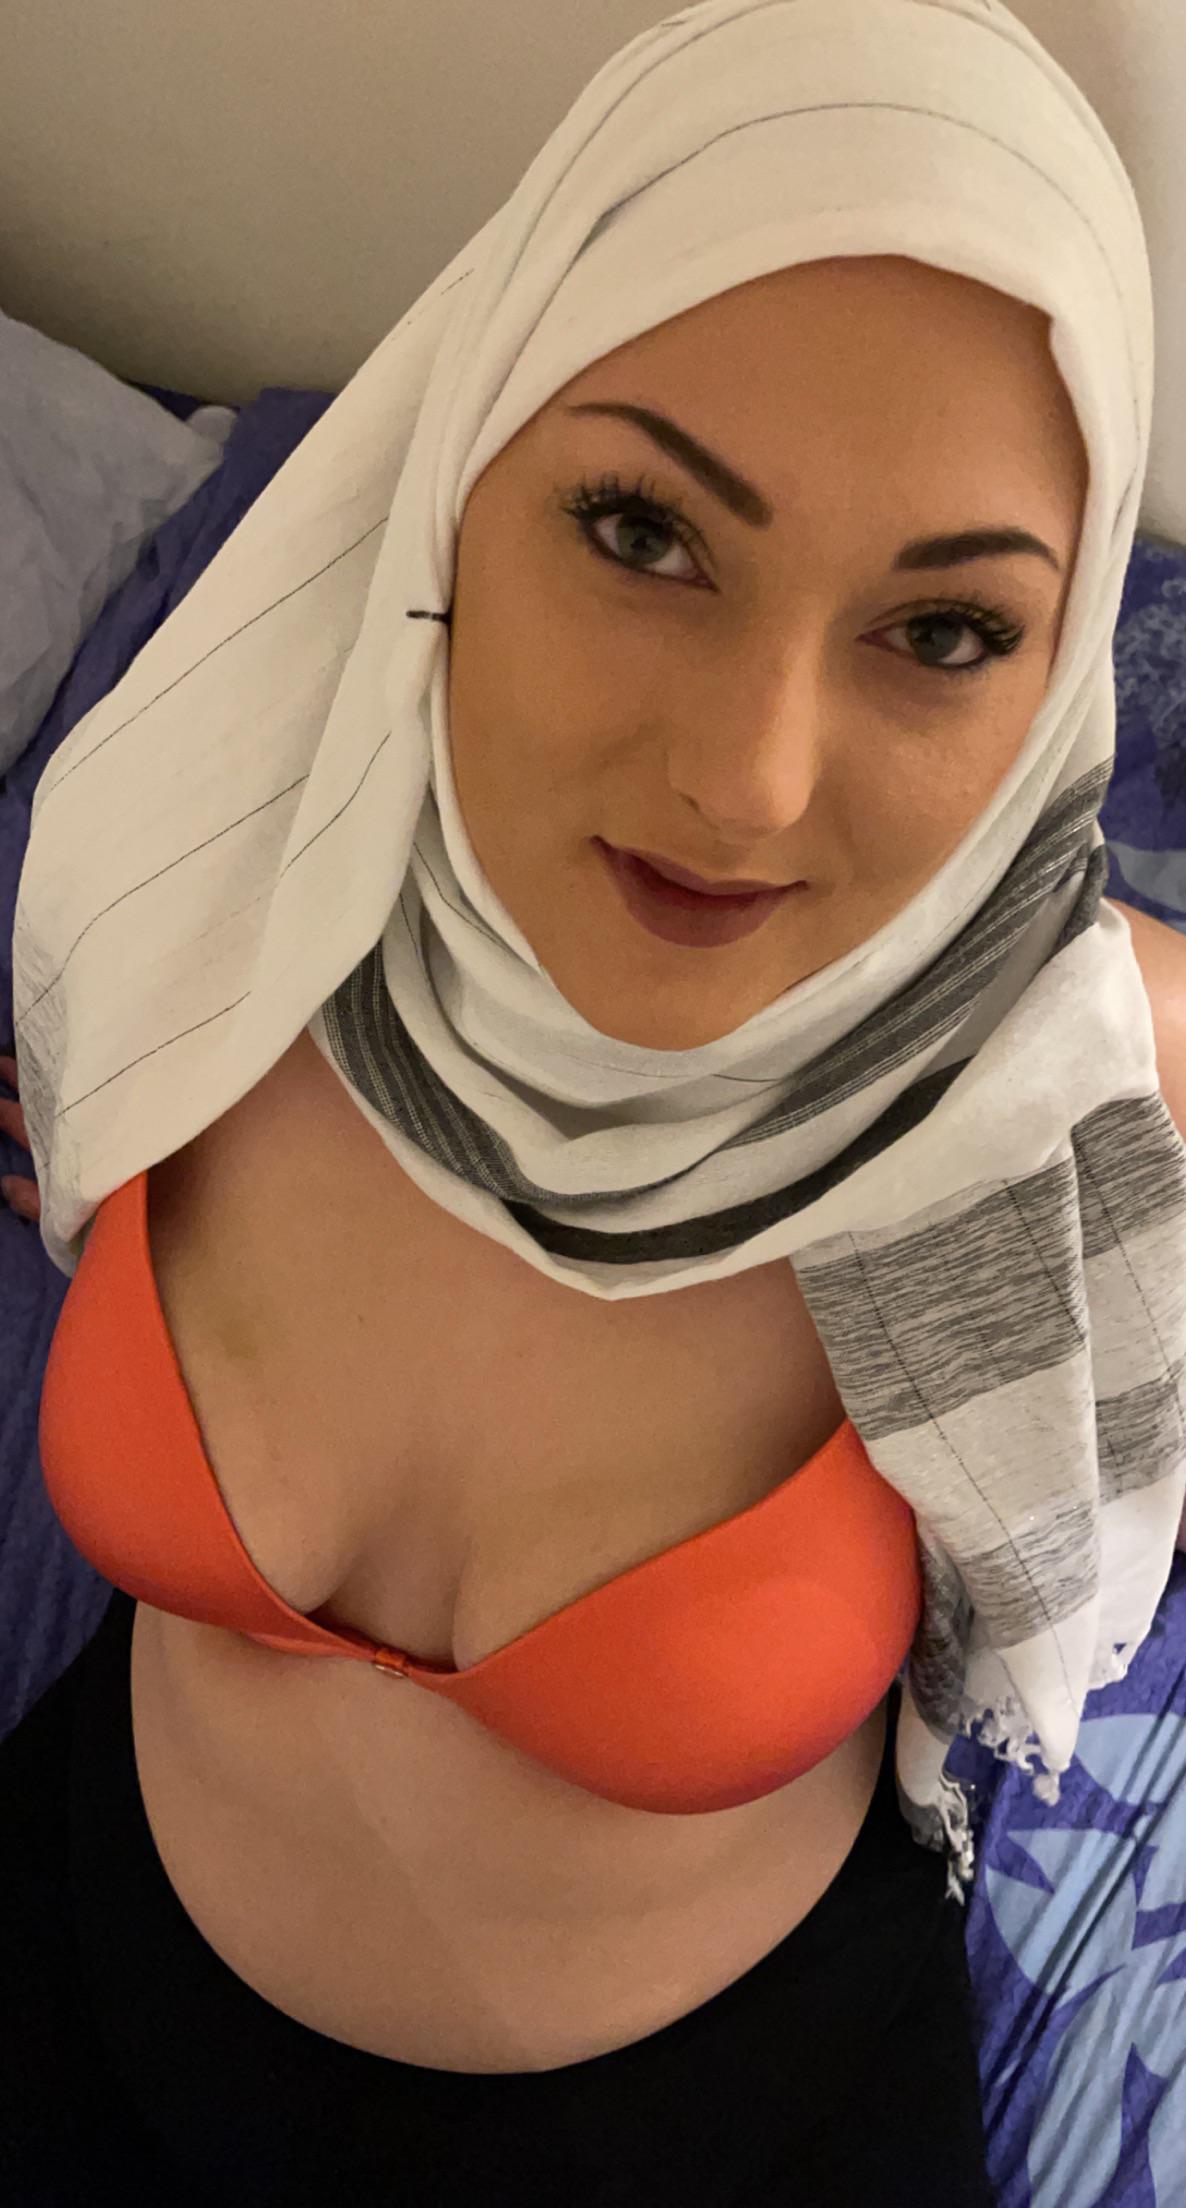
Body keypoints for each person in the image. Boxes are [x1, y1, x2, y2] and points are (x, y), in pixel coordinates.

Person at [4, 3, 1184, 2202]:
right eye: (643, 531)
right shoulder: (212, 884)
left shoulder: (1059, 1074)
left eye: (941, 634)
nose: (745, 784)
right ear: (455, 470)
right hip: (77, 1959)